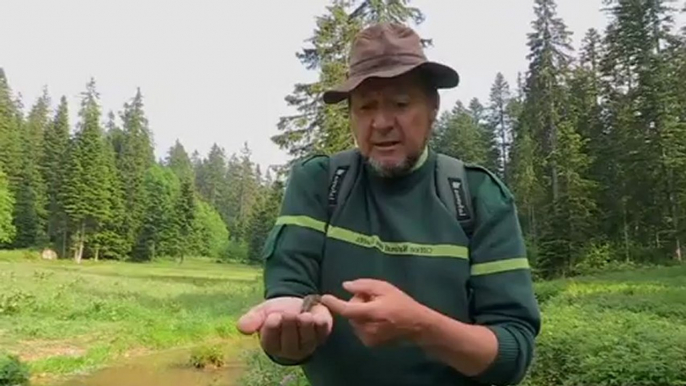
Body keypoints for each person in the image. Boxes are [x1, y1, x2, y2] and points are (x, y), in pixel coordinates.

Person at [237, 22, 541, 386]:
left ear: (432, 108)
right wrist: (290, 337)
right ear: (351, 114)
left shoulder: (478, 197)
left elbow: (513, 353)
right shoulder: (318, 183)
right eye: (366, 107)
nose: (381, 123)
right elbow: (289, 297)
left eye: (400, 103)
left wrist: (420, 326)